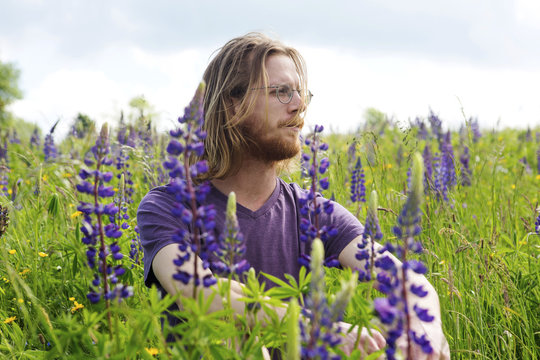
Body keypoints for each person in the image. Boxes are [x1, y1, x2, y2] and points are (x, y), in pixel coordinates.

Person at [137, 32, 450, 359]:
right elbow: (196, 289)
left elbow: (406, 280)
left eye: (300, 93)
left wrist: (424, 329)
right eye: (281, 92)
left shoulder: (316, 213)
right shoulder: (168, 207)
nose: (299, 105)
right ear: (232, 103)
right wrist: (315, 328)